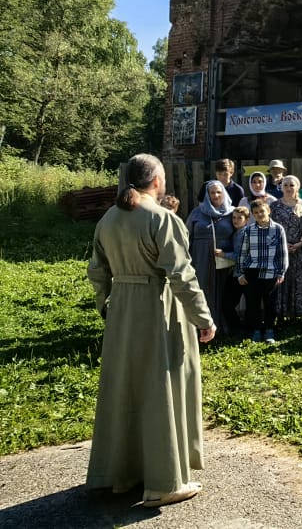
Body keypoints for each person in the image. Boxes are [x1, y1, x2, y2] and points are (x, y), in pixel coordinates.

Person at [86, 153, 216, 507]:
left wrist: (107, 306)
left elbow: (97, 271)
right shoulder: (161, 218)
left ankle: (121, 474)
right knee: (161, 387)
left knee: (125, 388)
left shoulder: (108, 219)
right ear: (157, 181)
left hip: (121, 311)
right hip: (159, 308)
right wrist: (203, 318)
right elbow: (181, 275)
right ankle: (164, 482)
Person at [185, 180, 235, 334]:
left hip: (224, 258)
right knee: (202, 290)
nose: (216, 195)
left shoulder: (232, 213)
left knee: (223, 292)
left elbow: (240, 235)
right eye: (212, 192)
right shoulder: (197, 212)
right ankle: (202, 326)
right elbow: (186, 236)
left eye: (219, 192)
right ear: (207, 195)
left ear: (224, 193)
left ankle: (221, 325)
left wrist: (230, 254)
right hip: (200, 257)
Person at [236, 199, 288, 343]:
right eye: (256, 212)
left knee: (270, 302)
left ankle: (269, 330)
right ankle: (257, 330)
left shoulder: (278, 229)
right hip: (252, 271)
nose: (260, 214)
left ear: (268, 211)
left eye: (262, 211)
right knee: (253, 302)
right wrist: (240, 273)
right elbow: (243, 253)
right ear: (253, 215)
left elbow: (283, 252)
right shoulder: (249, 230)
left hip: (271, 272)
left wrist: (281, 272)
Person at [270, 175, 302, 323]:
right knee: (281, 281)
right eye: (285, 185)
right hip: (280, 250)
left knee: (297, 281)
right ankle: (280, 314)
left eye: (291, 185)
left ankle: (294, 314)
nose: (288, 188)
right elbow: (271, 228)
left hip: (299, 250)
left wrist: (300, 243)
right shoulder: (274, 206)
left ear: (297, 187)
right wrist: (283, 244)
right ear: (281, 187)